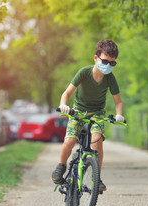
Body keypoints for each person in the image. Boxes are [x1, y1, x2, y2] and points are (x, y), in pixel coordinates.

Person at [51, 39, 124, 191]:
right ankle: (61, 165)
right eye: (105, 61)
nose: (108, 66)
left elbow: (118, 101)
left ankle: (96, 178)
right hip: (78, 111)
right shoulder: (84, 72)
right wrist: (64, 105)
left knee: (97, 142)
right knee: (70, 141)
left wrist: (119, 115)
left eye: (112, 63)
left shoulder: (110, 78)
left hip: (97, 112)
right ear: (96, 58)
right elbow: (67, 92)